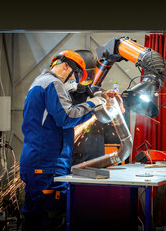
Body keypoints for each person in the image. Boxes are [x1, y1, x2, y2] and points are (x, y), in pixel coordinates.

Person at [20, 50, 105, 231]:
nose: (77, 80)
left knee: (33, 216)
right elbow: (67, 118)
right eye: (77, 75)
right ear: (66, 66)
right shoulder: (54, 84)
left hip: (34, 161)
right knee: (52, 218)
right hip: (48, 164)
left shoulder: (38, 83)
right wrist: (93, 104)